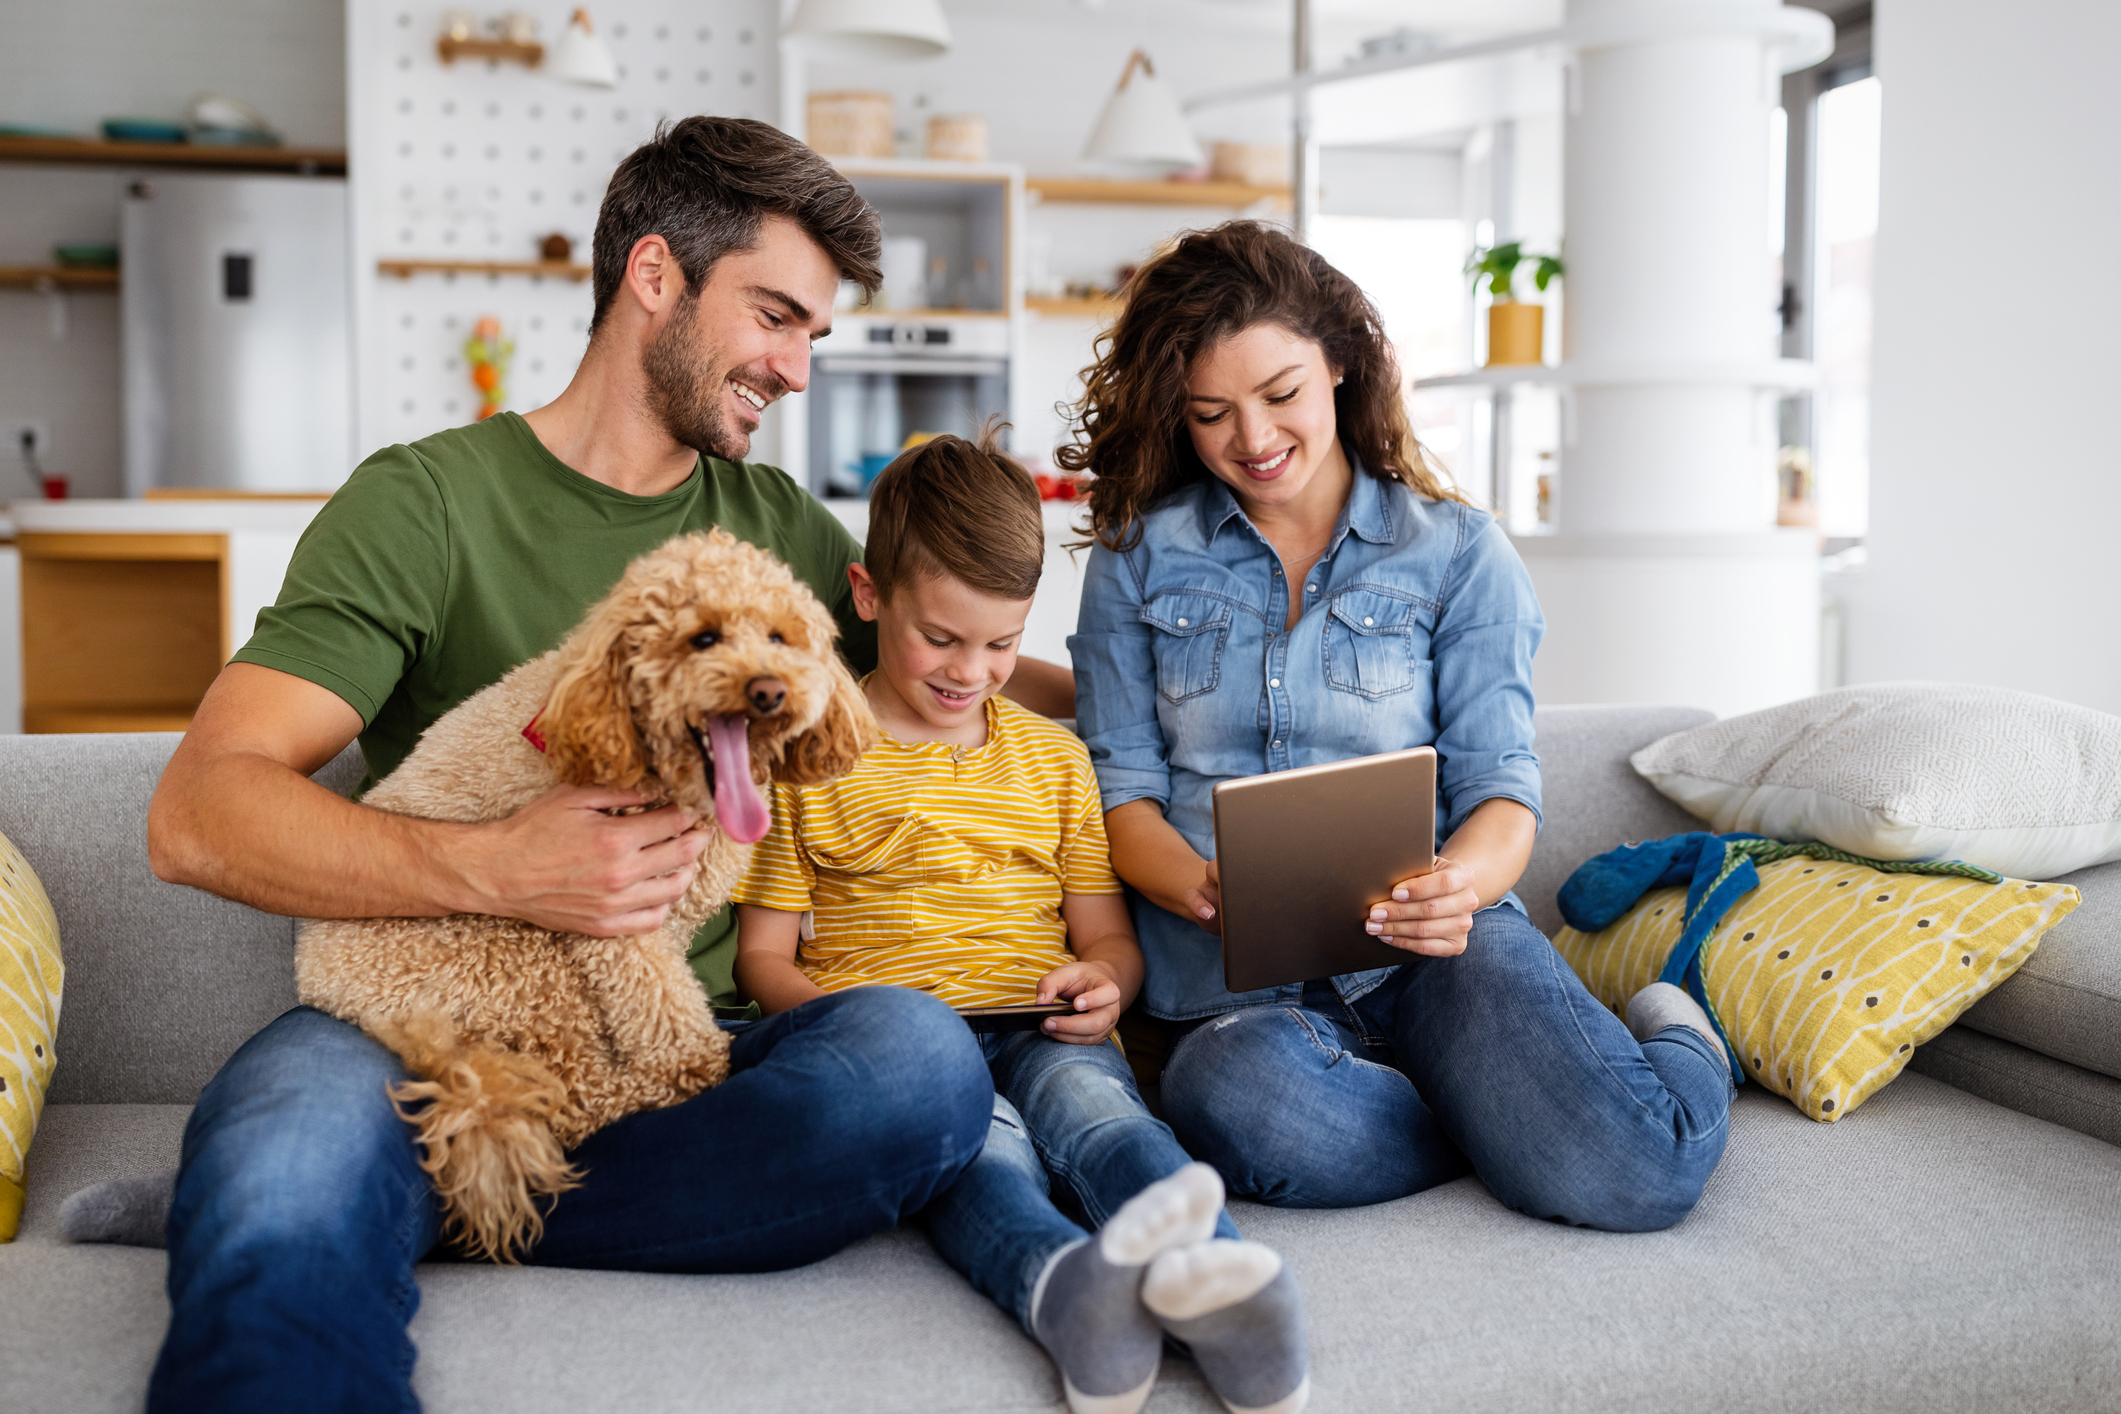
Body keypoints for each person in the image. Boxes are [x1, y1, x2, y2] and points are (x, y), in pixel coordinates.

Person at [142, 117, 1071, 1412]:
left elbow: (955, 662)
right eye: (777, 316)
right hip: (425, 1031)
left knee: (918, 1062)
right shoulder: (423, 503)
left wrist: (1157, 733)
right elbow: (197, 813)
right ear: (654, 277)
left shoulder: (776, 525)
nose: (800, 368)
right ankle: (417, 1177)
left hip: (698, 1052)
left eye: (814, 331)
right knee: (282, 1155)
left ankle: (457, 1194)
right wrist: (501, 866)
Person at [1064, 221, 1733, 1228]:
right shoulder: (1136, 558)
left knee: (1641, 1174)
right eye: (1211, 413)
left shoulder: (1457, 553)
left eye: (1281, 394)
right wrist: (1201, 885)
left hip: (1432, 959)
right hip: (1237, 1001)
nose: (1252, 438)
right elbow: (1121, 792)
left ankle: (1679, 1040)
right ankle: (1499, 1120)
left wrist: (1454, 884)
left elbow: (1502, 788)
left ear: (1339, 363)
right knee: (1238, 1097)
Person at [732, 431, 1309, 1414]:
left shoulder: (1055, 764)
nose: (973, 670)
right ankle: (1065, 1295)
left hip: (1041, 1024)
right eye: (942, 639)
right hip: (914, 1055)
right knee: (982, 1156)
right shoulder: (806, 760)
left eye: (1002, 643)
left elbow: (1107, 940)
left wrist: (1109, 984)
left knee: (1104, 1119)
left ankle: (1219, 1282)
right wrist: (851, 1020)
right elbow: (760, 959)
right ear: (869, 597)